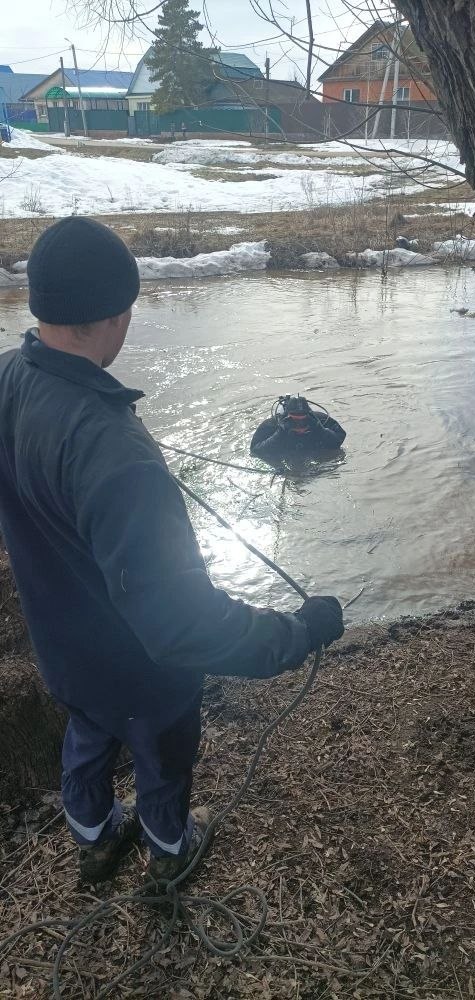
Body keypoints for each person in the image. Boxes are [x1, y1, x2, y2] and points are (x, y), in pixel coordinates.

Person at [0, 218, 344, 885]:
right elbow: (182, 624)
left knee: (87, 735)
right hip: (141, 671)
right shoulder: (114, 454)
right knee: (162, 757)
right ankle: (169, 852)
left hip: (60, 648)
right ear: (113, 315)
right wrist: (298, 633)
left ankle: (95, 841)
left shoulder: (10, 376)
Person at [250, 395, 346, 465]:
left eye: (304, 421)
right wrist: (280, 434)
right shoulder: (272, 425)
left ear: (309, 416)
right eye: (294, 421)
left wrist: (319, 429)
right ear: (286, 417)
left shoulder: (320, 420)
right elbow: (255, 451)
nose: (299, 425)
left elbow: (338, 440)